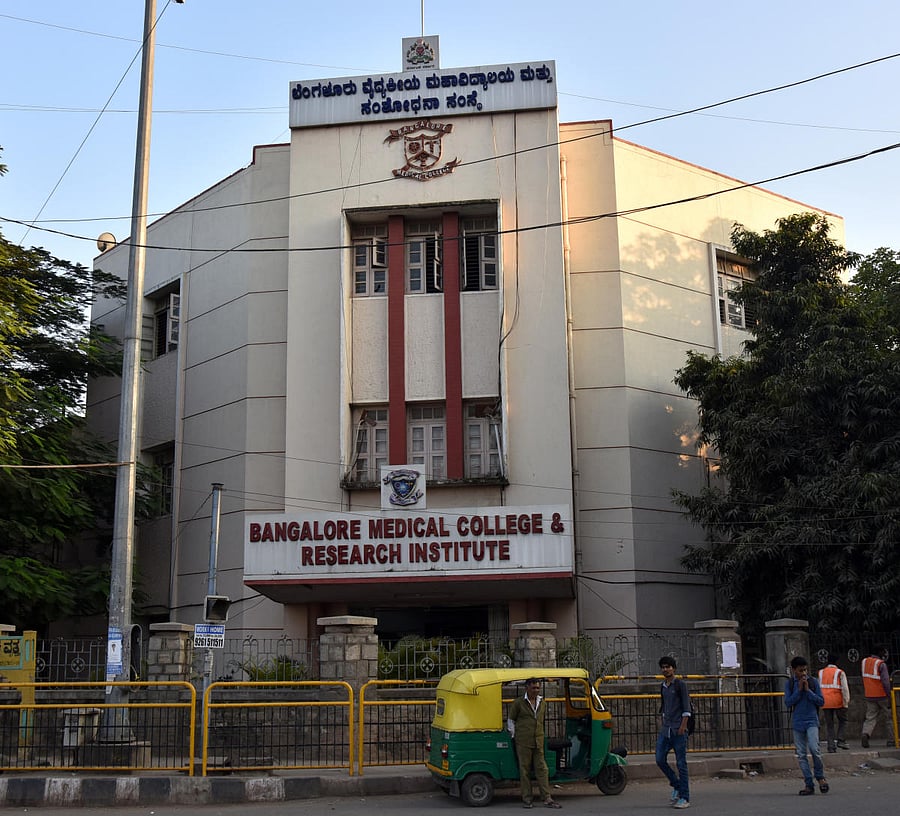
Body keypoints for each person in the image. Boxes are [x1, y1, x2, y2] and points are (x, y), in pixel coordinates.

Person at [507, 678, 562, 809]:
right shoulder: (519, 703)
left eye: (538, 688)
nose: (536, 690)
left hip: (538, 740)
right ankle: (527, 799)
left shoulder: (542, 702)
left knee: (542, 769)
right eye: (533, 688)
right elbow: (511, 720)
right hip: (523, 741)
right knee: (524, 770)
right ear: (527, 688)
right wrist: (515, 736)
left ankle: (547, 797)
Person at [784, 655, 828, 795]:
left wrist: (808, 690)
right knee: (801, 754)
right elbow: (788, 702)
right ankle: (809, 783)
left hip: (811, 720)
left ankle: (820, 777)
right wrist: (799, 690)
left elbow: (821, 701)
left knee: (815, 749)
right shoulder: (790, 684)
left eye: (805, 670)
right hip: (798, 722)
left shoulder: (813, 682)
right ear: (794, 670)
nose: (803, 673)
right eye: (800, 670)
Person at [656, 656, 691, 809]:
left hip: (678, 729)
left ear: (674, 668)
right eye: (663, 667)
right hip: (666, 729)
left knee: (681, 763)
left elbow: (686, 707)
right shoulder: (663, 686)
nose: (666, 669)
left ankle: (684, 797)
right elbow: (664, 707)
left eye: (668, 667)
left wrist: (683, 726)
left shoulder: (680, 685)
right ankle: (676, 785)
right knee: (659, 759)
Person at [860, 645, 891, 748]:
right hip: (882, 695)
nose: (885, 654)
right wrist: (889, 695)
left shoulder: (864, 662)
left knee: (870, 717)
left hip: (869, 695)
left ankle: (865, 734)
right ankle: (892, 739)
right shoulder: (881, 664)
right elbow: (886, 682)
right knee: (889, 718)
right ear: (880, 652)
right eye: (883, 652)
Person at [818, 654, 849, 752]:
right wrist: (846, 702)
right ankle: (841, 740)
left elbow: (819, 687)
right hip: (837, 701)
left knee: (829, 724)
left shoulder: (821, 672)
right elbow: (845, 689)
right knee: (843, 720)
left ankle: (831, 746)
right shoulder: (840, 672)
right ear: (836, 662)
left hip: (825, 701)